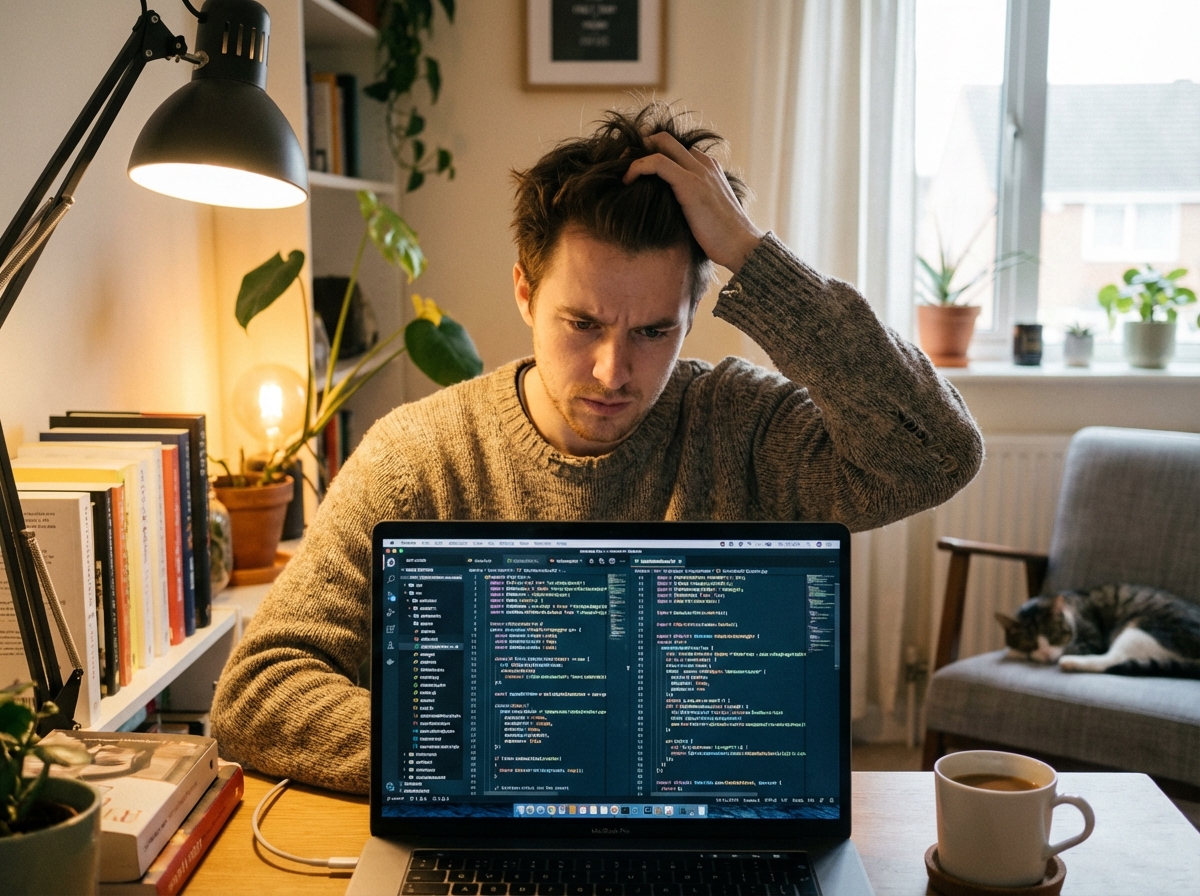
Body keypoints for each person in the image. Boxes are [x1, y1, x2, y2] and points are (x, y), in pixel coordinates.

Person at [211, 102, 983, 794]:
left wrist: (754, 256)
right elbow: (258, 692)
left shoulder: (741, 427)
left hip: (704, 829)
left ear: (692, 315)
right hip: (491, 832)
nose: (614, 372)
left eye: (654, 331)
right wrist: (489, 749)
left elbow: (939, 454)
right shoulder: (418, 458)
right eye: (582, 324)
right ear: (525, 292)